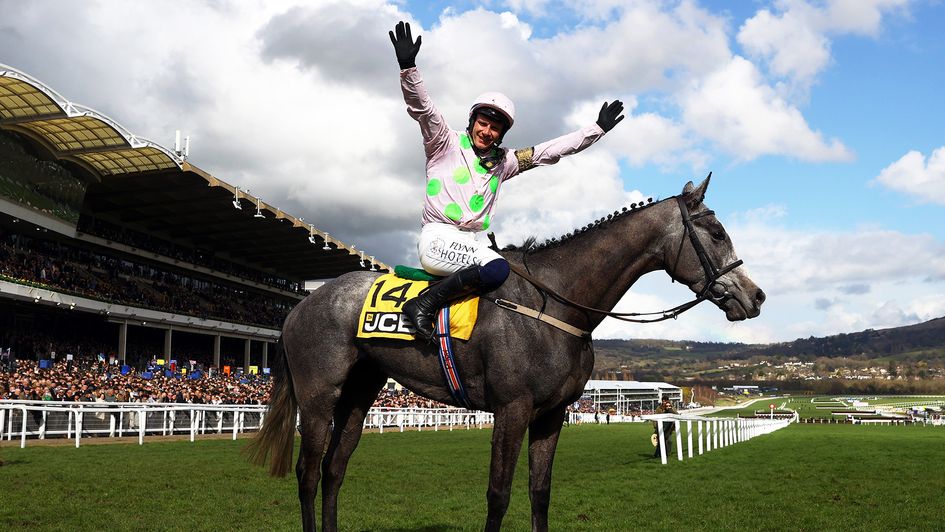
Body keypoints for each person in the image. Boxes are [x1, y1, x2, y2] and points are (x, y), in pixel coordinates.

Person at [389, 21, 625, 340]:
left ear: (502, 134)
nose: (487, 132)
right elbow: (424, 109)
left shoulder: (505, 161)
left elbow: (548, 151)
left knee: (509, 273)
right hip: (439, 240)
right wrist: (408, 67)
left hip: (471, 245)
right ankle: (423, 305)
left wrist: (594, 130)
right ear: (472, 122)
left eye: (495, 129)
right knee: (498, 268)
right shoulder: (442, 142)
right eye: (482, 123)